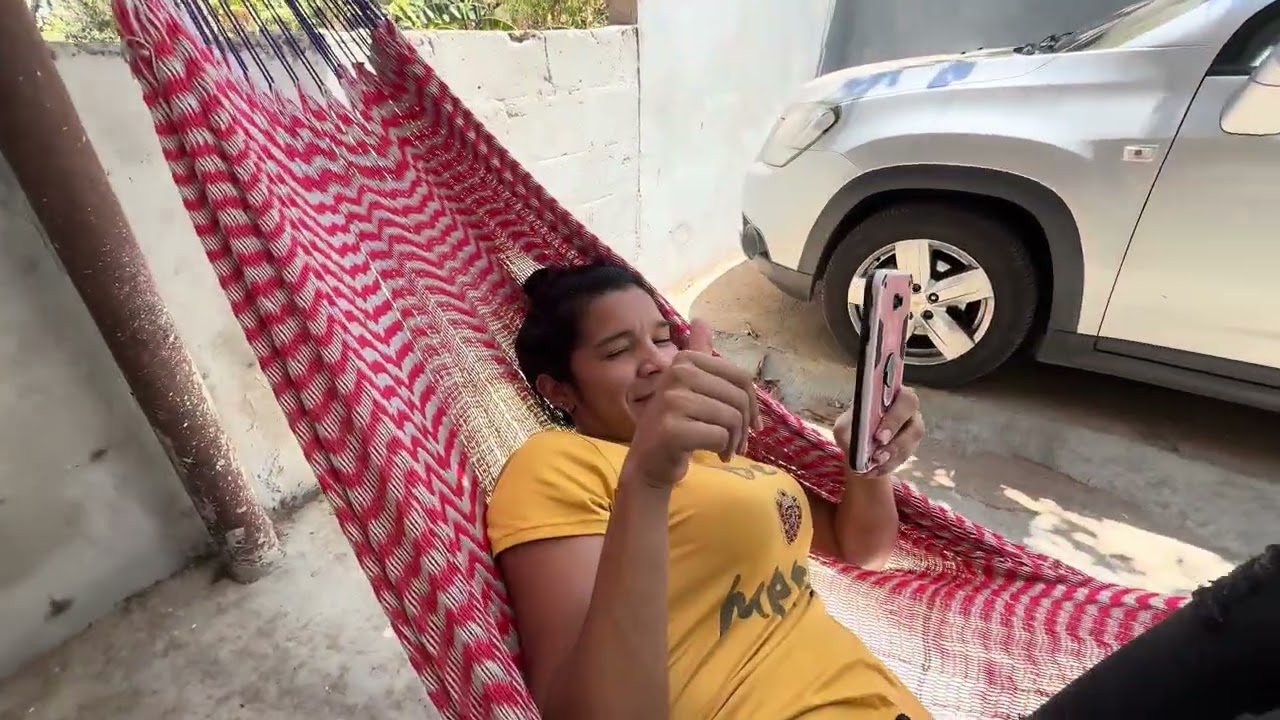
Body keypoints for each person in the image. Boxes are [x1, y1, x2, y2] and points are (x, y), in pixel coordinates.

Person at [486, 262, 1280, 720]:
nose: (661, 361)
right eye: (622, 352)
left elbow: (863, 544)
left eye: (663, 336)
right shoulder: (556, 468)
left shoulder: (730, 455)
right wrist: (647, 480)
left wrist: (871, 462)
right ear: (560, 387)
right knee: (1254, 613)